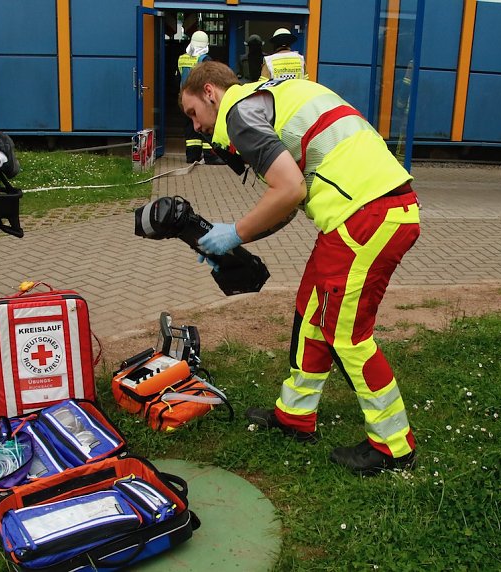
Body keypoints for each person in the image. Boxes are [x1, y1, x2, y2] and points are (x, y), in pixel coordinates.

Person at [180, 61, 420, 475]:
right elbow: (290, 198)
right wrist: (237, 240)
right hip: (366, 211)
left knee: (346, 335)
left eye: (192, 114)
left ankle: (393, 446)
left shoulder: (239, 113)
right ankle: (295, 414)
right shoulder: (264, 102)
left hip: (366, 215)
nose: (195, 126)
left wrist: (234, 233)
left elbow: (289, 189)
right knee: (312, 312)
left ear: (210, 93)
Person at [176, 31, 222, 165]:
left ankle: (192, 156)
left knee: (190, 127)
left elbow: (179, 77)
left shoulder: (182, 58)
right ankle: (210, 156)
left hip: (185, 98)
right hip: (201, 100)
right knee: (206, 126)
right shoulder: (204, 60)